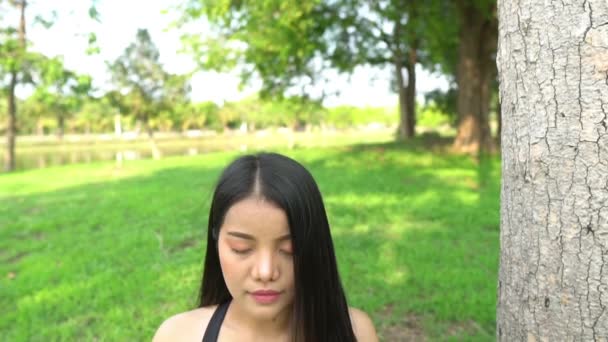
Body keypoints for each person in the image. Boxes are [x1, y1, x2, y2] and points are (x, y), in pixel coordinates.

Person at [152, 152, 378, 341]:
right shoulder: (179, 335)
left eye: (290, 249)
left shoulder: (355, 332)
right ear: (216, 242)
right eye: (241, 248)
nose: (266, 272)